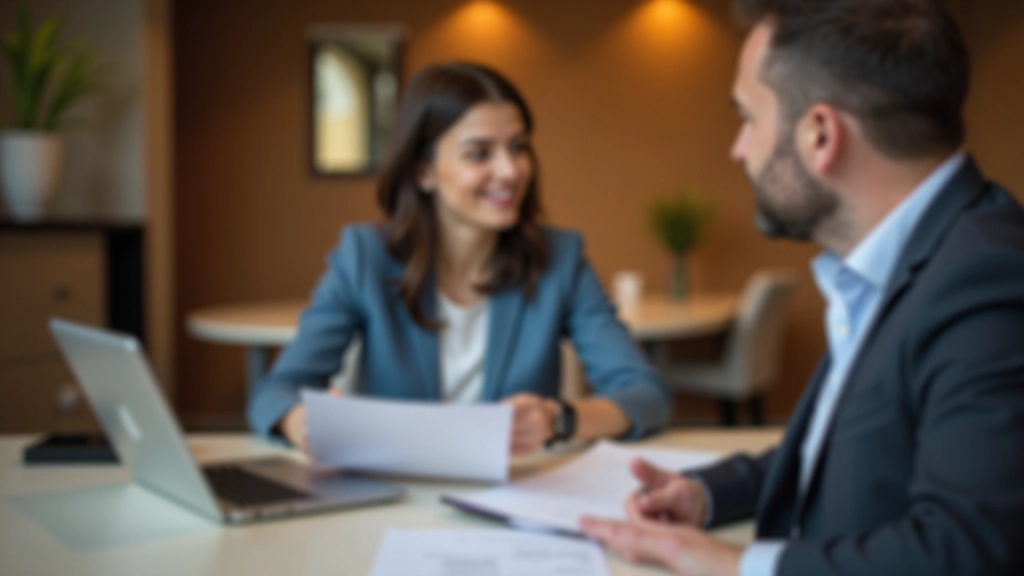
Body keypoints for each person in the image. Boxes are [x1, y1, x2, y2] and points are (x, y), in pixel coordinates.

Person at [580, 0, 1024, 574]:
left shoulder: (986, 279)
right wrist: (707, 495)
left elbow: (963, 552)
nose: (739, 149)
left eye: (748, 118)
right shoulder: (920, 258)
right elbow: (848, 452)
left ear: (820, 134)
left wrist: (734, 567)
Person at [247, 62, 671, 456]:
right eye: (479, 153)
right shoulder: (365, 257)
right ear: (423, 172)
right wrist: (302, 422)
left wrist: (559, 419)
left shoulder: (560, 259)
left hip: (514, 497)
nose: (510, 171)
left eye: (518, 147)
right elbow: (276, 393)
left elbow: (646, 393)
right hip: (394, 495)